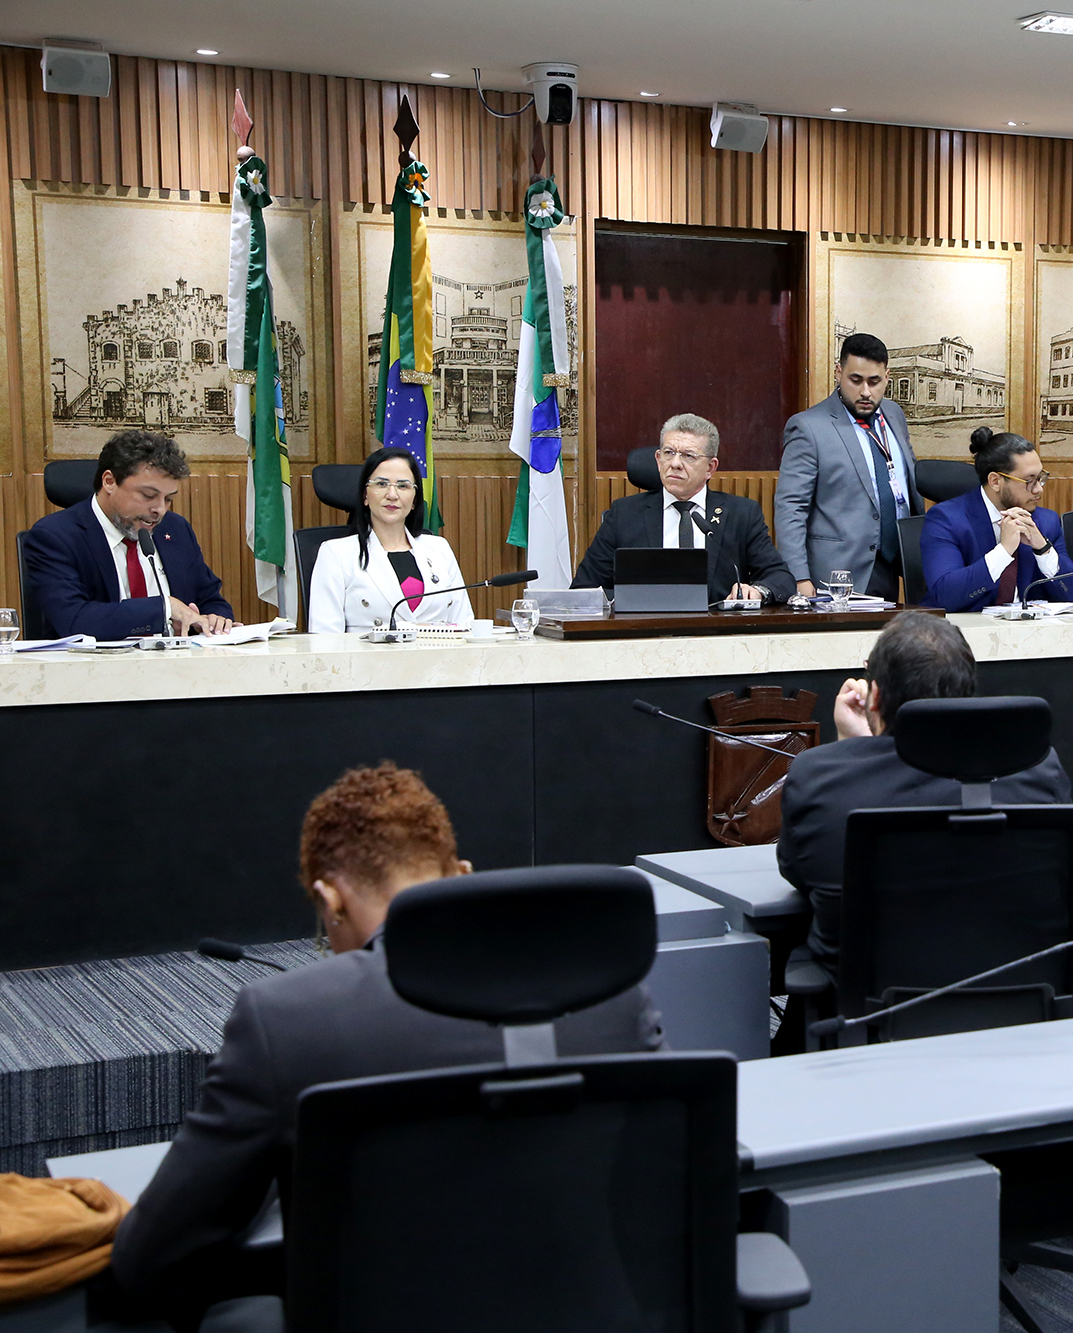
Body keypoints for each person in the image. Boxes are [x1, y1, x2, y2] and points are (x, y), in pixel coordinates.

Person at [111, 762, 664, 1320]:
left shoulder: (285, 1019)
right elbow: (661, 1195)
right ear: (461, 875)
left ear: (331, 901)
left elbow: (152, 1263)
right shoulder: (611, 994)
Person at [778, 612, 1070, 964]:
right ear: (966, 691)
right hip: (1023, 993)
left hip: (870, 996)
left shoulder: (816, 776)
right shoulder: (1038, 769)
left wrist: (851, 749)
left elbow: (801, 872)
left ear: (874, 697)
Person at [23, 431, 236, 639]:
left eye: (168, 499)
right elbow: (74, 620)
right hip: (95, 661)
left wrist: (215, 619)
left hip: (179, 660)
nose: (160, 510)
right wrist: (164, 608)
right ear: (109, 481)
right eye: (148, 495)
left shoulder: (175, 529)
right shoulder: (55, 537)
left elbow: (210, 600)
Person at [571, 413, 791, 603]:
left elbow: (780, 578)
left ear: (710, 467)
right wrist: (630, 601)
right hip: (643, 630)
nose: (675, 463)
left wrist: (758, 591)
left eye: (688, 456)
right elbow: (584, 589)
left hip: (718, 630)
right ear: (658, 459)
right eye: (668, 453)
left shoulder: (741, 514)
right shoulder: (624, 515)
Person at [774, 333, 922, 600]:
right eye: (856, 380)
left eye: (874, 381)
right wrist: (798, 576)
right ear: (838, 373)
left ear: (887, 377)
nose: (865, 391)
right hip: (839, 572)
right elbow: (791, 507)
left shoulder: (894, 414)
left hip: (898, 563)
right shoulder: (809, 427)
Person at [306, 446, 473, 633]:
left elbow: (464, 626)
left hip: (440, 651)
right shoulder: (336, 553)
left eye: (403, 486)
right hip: (366, 652)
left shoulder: (439, 548)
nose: (392, 495)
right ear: (365, 495)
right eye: (381, 484)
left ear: (414, 500)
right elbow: (325, 638)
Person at [919, 428, 1073, 611]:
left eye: (1041, 478)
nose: (1039, 489)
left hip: (1030, 626)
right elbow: (945, 596)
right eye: (1029, 481)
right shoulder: (946, 519)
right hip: (963, 626)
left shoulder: (1045, 521)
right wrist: (1004, 552)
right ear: (995, 481)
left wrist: (1042, 549)